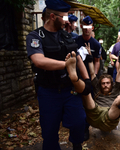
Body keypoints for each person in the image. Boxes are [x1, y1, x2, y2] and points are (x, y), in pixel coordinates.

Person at [26, 0, 90, 149]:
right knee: (49, 132)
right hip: (48, 91)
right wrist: (67, 65)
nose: (67, 21)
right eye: (64, 17)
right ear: (53, 16)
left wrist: (87, 80)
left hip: (70, 90)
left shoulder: (68, 36)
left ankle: (76, 144)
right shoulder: (35, 36)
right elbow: (39, 61)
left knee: (79, 121)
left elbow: (78, 58)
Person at [65, 50, 120, 132]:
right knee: (87, 92)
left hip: (109, 117)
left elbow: (119, 72)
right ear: (100, 84)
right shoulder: (97, 88)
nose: (105, 85)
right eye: (103, 83)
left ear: (111, 84)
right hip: (94, 114)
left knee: (118, 101)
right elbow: (92, 73)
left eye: (108, 83)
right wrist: (90, 58)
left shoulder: (115, 88)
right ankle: (74, 78)